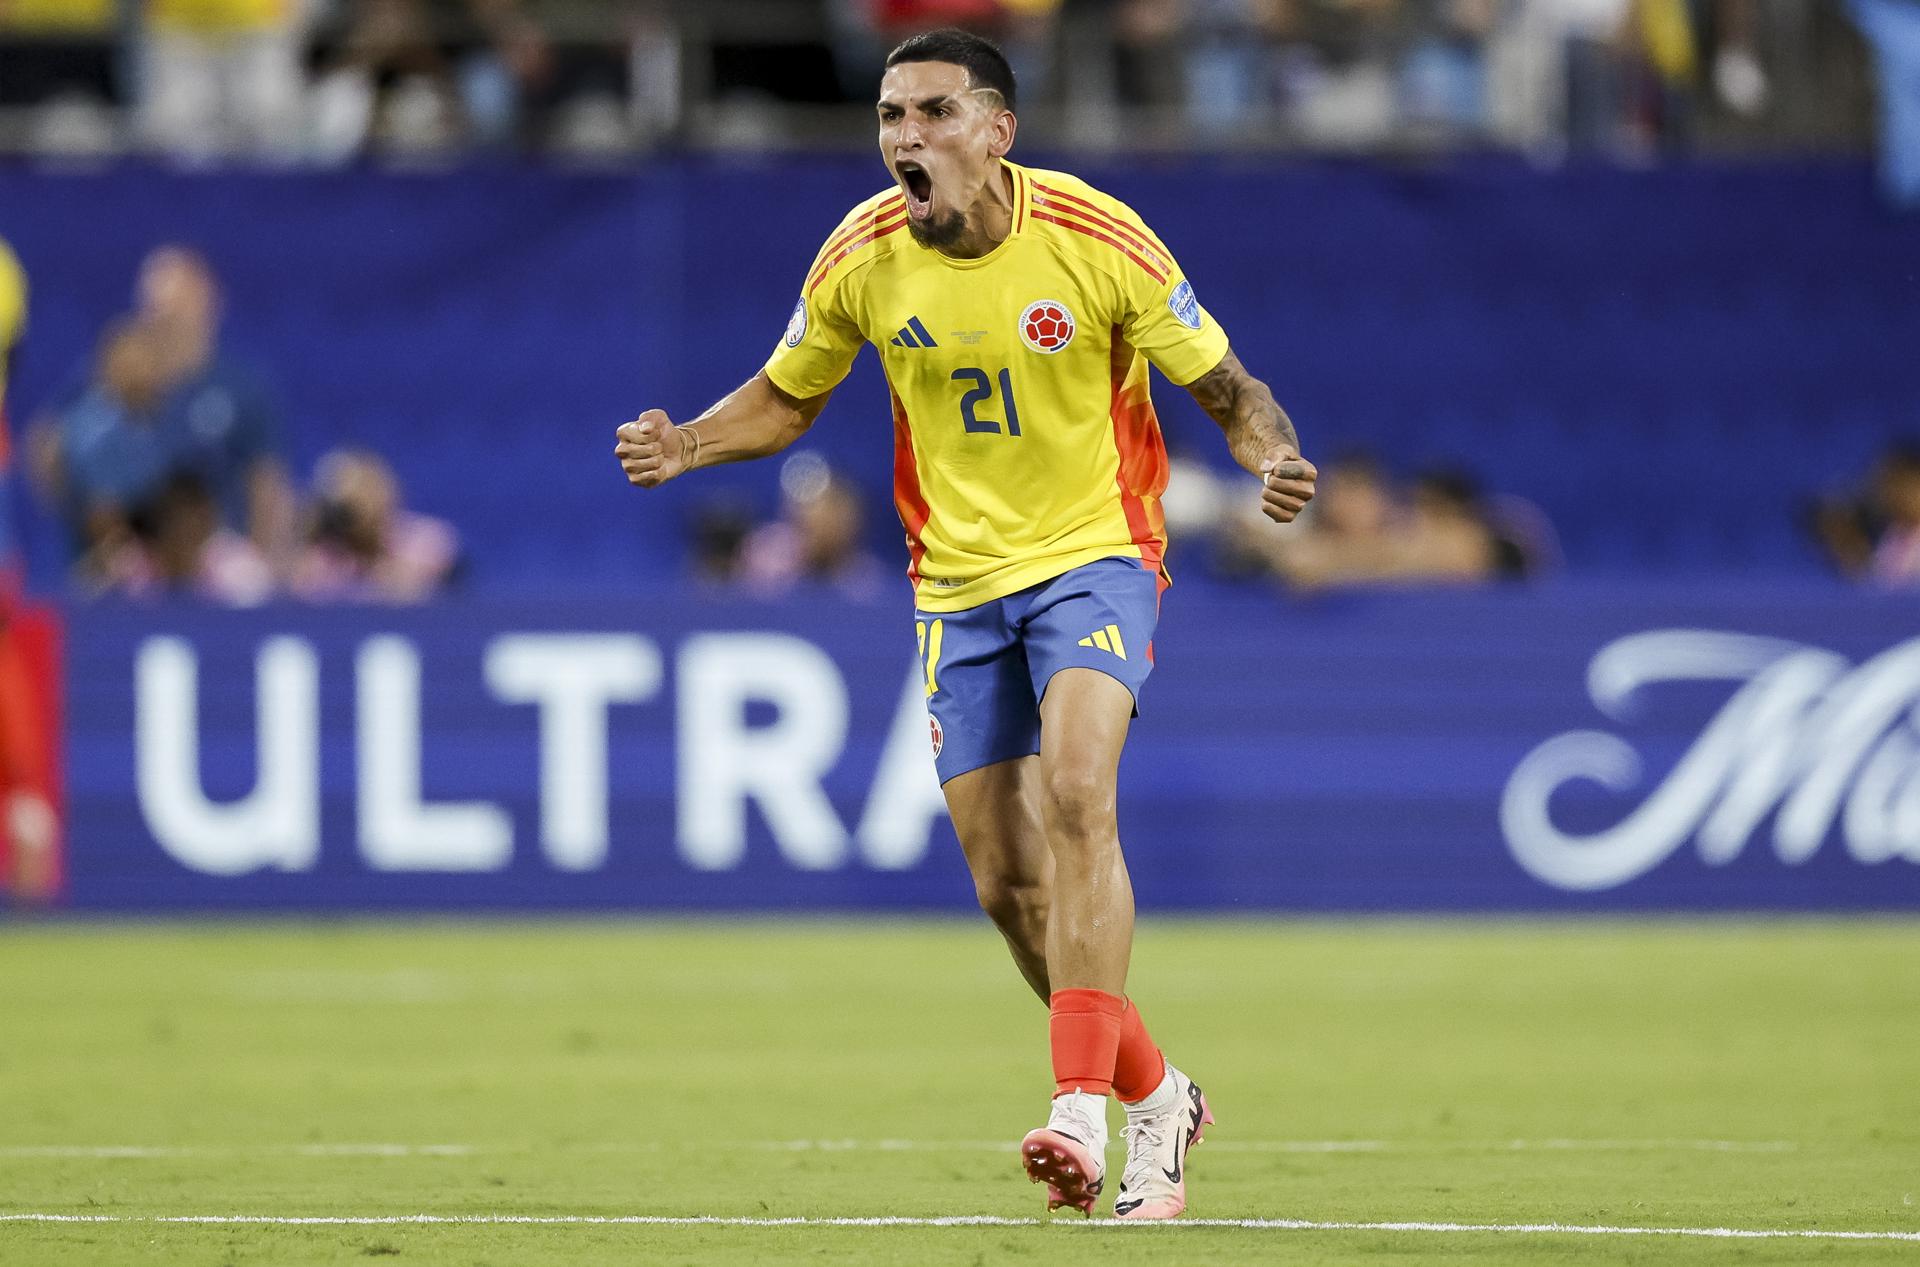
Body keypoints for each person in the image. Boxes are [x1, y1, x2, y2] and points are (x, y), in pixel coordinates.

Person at [615, 29, 1317, 1220]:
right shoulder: (864, 253)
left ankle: (1078, 1114)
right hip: (956, 585)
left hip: (1097, 552)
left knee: (1082, 792)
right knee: (1008, 886)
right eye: (891, 116)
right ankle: (1160, 1097)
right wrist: (690, 442)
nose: (904, 139)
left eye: (933, 113)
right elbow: (790, 396)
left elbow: (1227, 387)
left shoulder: (1097, 238)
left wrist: (1273, 455)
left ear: (997, 131)